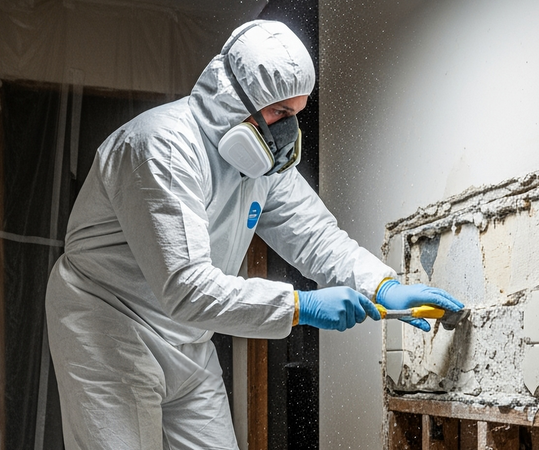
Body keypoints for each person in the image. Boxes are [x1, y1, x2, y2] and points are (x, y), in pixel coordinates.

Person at [45, 20, 462, 449]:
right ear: (234, 99)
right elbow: (186, 289)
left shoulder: (264, 165)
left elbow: (316, 236)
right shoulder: (162, 148)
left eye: (296, 115)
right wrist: (301, 305)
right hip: (109, 326)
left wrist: (384, 285)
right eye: (280, 113)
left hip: (189, 337)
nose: (288, 131)